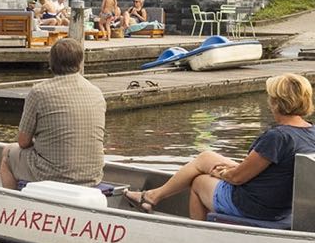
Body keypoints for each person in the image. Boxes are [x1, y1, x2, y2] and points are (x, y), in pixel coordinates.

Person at [124, 73, 315, 221]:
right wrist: (230, 170)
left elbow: (238, 178)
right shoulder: (310, 133)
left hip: (258, 206)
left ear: (275, 102)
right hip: (280, 204)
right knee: (206, 157)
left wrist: (222, 174)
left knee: (199, 182)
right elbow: (269, 169)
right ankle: (151, 196)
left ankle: (199, 238)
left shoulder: (277, 137)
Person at [0, 37, 106, 189]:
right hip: (92, 175)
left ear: (51, 62)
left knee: (8, 153)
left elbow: (23, 142)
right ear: (80, 62)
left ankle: (11, 203)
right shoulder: (96, 92)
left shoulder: (39, 92)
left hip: (53, 174)